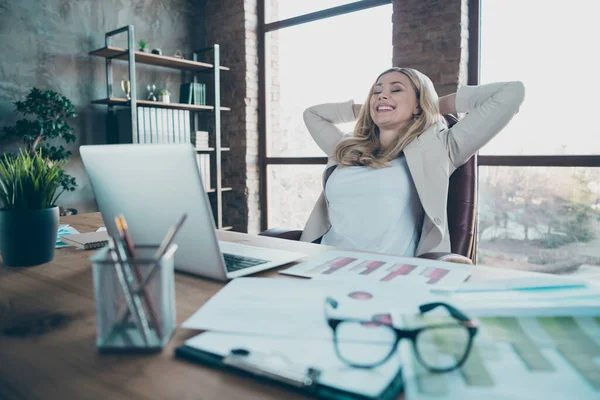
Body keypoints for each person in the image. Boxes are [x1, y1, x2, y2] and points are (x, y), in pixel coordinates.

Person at [300, 67, 525, 257]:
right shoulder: (346, 147)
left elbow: (512, 92)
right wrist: (371, 108)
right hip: (323, 263)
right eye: (376, 92)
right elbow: (312, 114)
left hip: (387, 276)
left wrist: (433, 105)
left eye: (396, 89)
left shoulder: (441, 148)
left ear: (419, 103)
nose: (381, 95)